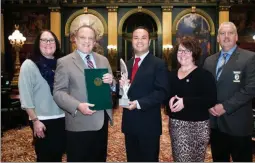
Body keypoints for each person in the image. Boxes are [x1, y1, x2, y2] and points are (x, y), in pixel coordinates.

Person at [53, 25, 114, 162]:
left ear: (95, 42)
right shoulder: (64, 62)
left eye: (90, 38)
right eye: (83, 37)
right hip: (79, 123)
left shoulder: (103, 60)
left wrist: (112, 82)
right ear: (75, 39)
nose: (87, 41)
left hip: (101, 122)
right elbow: (58, 92)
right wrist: (78, 105)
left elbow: (112, 86)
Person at [203, 21, 255, 162]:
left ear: (236, 37)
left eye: (230, 33)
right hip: (215, 124)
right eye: (222, 33)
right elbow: (204, 87)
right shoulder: (209, 61)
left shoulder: (250, 58)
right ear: (217, 38)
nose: (226, 36)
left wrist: (225, 106)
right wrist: (208, 104)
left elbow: (251, 88)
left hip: (238, 124)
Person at [119, 26, 169, 162]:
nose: (139, 41)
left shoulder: (158, 64)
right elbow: (125, 92)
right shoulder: (127, 64)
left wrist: (139, 103)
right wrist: (121, 87)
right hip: (130, 124)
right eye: (136, 38)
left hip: (148, 125)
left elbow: (162, 92)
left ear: (149, 41)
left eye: (143, 38)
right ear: (131, 41)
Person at [166, 36, 217, 162]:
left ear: (194, 54)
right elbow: (165, 98)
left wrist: (185, 101)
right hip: (177, 126)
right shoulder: (171, 75)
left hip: (198, 127)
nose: (182, 54)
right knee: (180, 159)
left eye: (187, 51)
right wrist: (169, 102)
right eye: (180, 50)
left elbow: (210, 99)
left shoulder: (204, 75)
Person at [18, 30, 65, 162]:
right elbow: (25, 96)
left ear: (56, 43)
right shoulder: (29, 64)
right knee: (45, 157)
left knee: (57, 156)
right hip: (42, 120)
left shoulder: (61, 64)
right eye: (44, 40)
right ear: (38, 43)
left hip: (62, 118)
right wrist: (35, 121)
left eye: (51, 40)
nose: (48, 43)